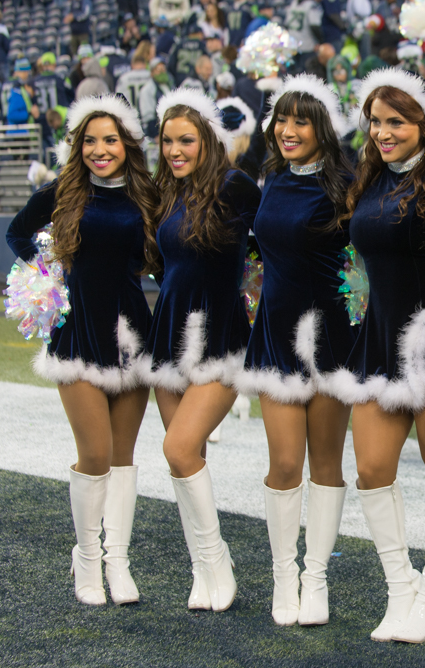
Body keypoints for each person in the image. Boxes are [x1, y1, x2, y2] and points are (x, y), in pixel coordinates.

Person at [324, 69, 425, 644]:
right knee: (371, 471)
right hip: (378, 342)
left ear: (423, 125)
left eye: (397, 122)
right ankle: (401, 589)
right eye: (376, 122)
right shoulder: (370, 177)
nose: (383, 132)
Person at [5, 94, 160, 606]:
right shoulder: (64, 192)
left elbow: (165, 262)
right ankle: (87, 560)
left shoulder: (146, 196)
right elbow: (17, 232)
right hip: (77, 334)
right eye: (89, 140)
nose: (99, 149)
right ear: (78, 146)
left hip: (132, 335)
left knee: (122, 459)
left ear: (127, 144)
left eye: (109, 139)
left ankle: (118, 561)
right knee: (93, 455)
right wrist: (45, 275)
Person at [230, 74, 354, 627]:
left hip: (332, 337)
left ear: (323, 128)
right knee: (284, 462)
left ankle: (316, 579)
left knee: (327, 462)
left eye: (302, 120)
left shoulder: (349, 184)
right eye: (282, 118)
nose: (288, 129)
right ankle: (284, 577)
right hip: (276, 335)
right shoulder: (269, 179)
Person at [141, 88, 261, 612]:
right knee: (189, 458)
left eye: (185, 140)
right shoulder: (164, 194)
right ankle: (203, 568)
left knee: (178, 447)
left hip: (220, 336)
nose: (174, 150)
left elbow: (272, 236)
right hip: (167, 334)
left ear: (208, 140)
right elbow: (162, 267)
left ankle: (217, 561)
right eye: (167, 141)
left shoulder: (234, 186)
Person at [140, 57, 174, 136]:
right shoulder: (147, 89)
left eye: (163, 68)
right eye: (158, 69)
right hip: (154, 133)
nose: (162, 71)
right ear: (152, 72)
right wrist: (155, 135)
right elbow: (148, 116)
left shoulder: (168, 85)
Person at [8, 60, 41, 124]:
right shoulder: (17, 92)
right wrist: (29, 113)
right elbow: (12, 115)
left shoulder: (21, 91)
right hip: (18, 132)